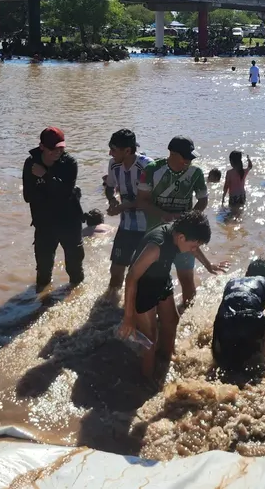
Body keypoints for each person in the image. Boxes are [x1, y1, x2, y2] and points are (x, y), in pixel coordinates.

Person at [119, 211, 212, 380]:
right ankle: (147, 382)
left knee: (172, 320)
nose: (193, 250)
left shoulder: (178, 231)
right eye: (193, 245)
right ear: (182, 238)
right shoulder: (156, 247)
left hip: (161, 278)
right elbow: (131, 277)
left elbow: (194, 249)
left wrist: (209, 265)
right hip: (143, 286)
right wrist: (128, 317)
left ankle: (165, 361)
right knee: (150, 338)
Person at [141, 136, 224, 309]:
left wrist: (188, 219)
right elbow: (142, 201)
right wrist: (164, 214)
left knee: (186, 278)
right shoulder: (152, 170)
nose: (188, 161)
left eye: (191, 158)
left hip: (184, 235)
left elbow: (202, 201)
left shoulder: (196, 173)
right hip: (158, 235)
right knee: (154, 279)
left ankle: (187, 313)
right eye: (185, 157)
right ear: (172, 153)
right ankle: (152, 311)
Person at [22, 127, 85, 293]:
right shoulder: (31, 163)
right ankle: (41, 303)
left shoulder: (69, 163)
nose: (58, 152)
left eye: (61, 148)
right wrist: (53, 190)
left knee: (75, 269)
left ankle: (75, 295)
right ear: (42, 146)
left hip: (69, 222)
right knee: (43, 271)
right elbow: (27, 196)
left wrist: (45, 176)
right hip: (44, 224)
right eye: (53, 148)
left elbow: (66, 193)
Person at [211, 258, 265, 371]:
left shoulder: (231, 282)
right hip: (251, 322)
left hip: (223, 323)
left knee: (225, 365)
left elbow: (223, 311)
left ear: (247, 272)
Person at [104, 129, 153, 292]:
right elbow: (109, 186)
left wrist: (122, 207)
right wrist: (111, 200)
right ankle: (109, 308)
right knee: (116, 272)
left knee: (140, 275)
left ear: (127, 150)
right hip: (126, 226)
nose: (110, 153)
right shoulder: (114, 164)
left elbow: (149, 199)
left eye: (114, 149)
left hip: (147, 228)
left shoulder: (147, 166)